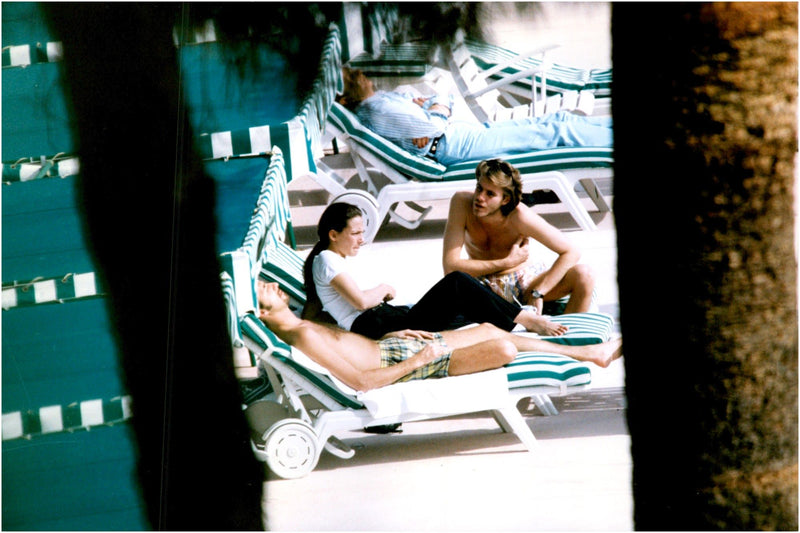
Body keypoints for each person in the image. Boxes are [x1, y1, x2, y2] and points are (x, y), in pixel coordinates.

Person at [258, 280, 622, 391]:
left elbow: (353, 350)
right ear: (260, 311)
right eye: (263, 288)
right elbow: (358, 381)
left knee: (488, 328)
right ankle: (590, 352)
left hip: (393, 347)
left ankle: (592, 351)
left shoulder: (300, 325)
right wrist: (417, 360)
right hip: (403, 363)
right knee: (502, 348)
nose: (272, 285)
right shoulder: (302, 337)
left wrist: (391, 337)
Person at [302, 202, 568, 340]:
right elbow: (360, 301)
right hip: (375, 323)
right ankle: (529, 320)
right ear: (333, 234)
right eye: (356, 233)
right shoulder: (326, 259)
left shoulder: (326, 259)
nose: (362, 239)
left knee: (468, 308)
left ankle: (521, 321)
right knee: (457, 282)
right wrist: (383, 289)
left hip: (382, 318)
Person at [338, 67, 613, 166]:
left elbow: (438, 103)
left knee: (557, 121)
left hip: (457, 134)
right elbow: (434, 123)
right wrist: (435, 109)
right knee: (554, 133)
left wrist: (435, 107)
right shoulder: (378, 109)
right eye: (350, 75)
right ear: (345, 98)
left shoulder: (384, 97)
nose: (357, 72)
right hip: (453, 145)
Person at [443, 159, 595, 315]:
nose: (480, 197)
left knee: (584, 274)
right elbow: (450, 267)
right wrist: (505, 262)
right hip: (482, 285)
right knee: (447, 293)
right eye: (479, 188)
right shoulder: (461, 203)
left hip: (525, 283)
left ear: (505, 199)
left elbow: (571, 251)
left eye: (490, 194)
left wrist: (538, 292)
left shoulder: (520, 216)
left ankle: (570, 336)